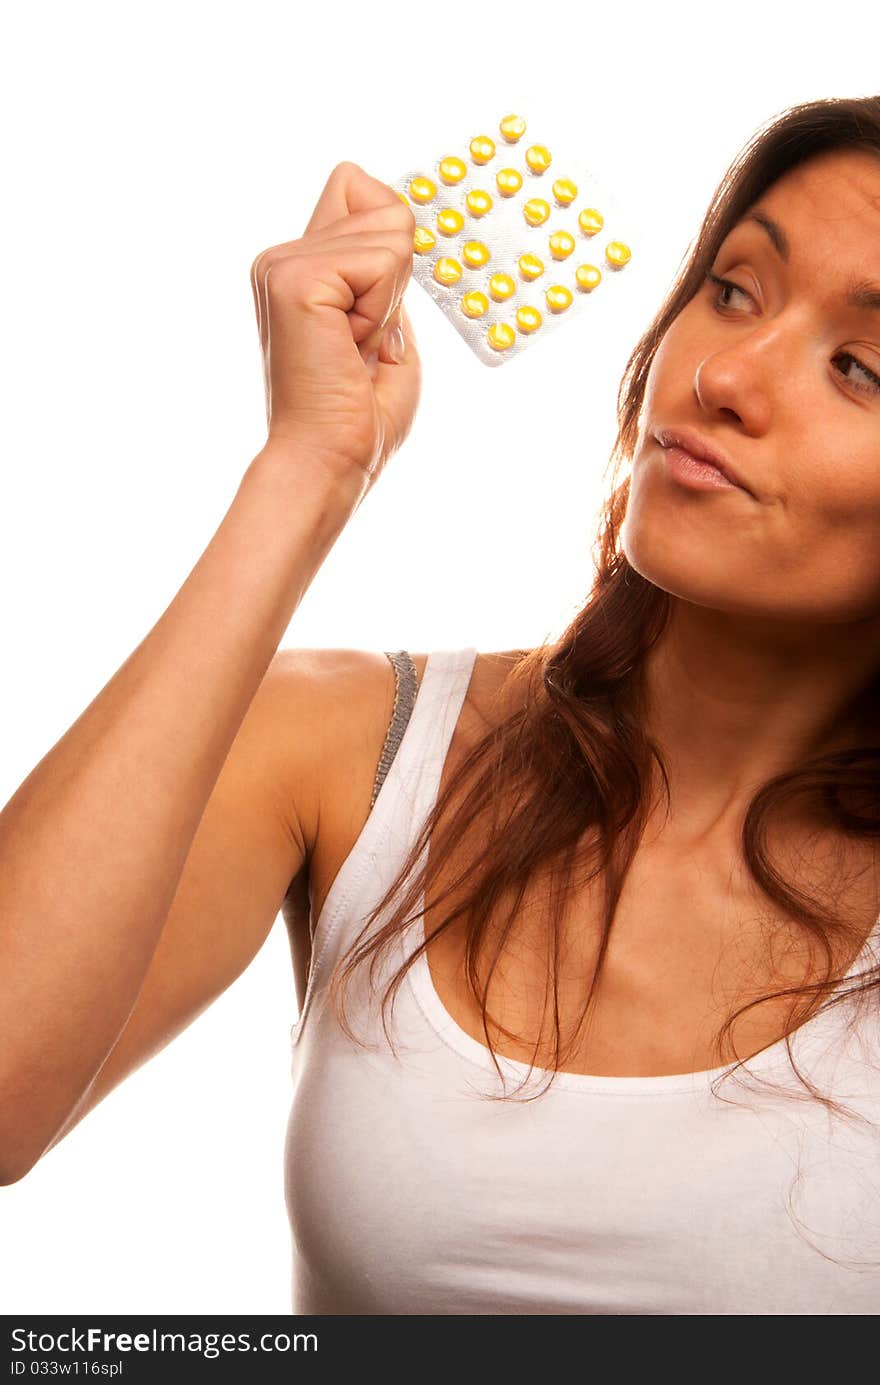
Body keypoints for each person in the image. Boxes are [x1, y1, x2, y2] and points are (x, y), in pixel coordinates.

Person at [1, 94, 879, 1316]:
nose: (723, 374)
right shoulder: (354, 749)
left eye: (858, 369)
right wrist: (310, 467)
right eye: (732, 288)